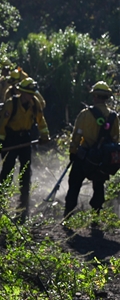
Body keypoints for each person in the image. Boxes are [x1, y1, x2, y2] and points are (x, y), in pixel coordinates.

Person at [0, 77, 50, 219]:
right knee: (7, 170)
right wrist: (0, 142)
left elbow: (41, 121)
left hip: (25, 138)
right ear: (22, 92)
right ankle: (0, 205)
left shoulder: (35, 104)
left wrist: (45, 136)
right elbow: (2, 125)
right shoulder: (11, 104)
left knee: (25, 172)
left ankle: (23, 207)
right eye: (28, 93)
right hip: (11, 139)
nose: (31, 96)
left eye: (32, 93)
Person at [64, 81, 119, 219]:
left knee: (74, 184)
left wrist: (73, 152)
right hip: (101, 160)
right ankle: (96, 216)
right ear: (106, 98)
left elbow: (77, 135)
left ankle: (68, 215)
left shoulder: (85, 114)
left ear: (94, 96)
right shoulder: (113, 117)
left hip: (84, 156)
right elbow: (115, 138)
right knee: (99, 185)